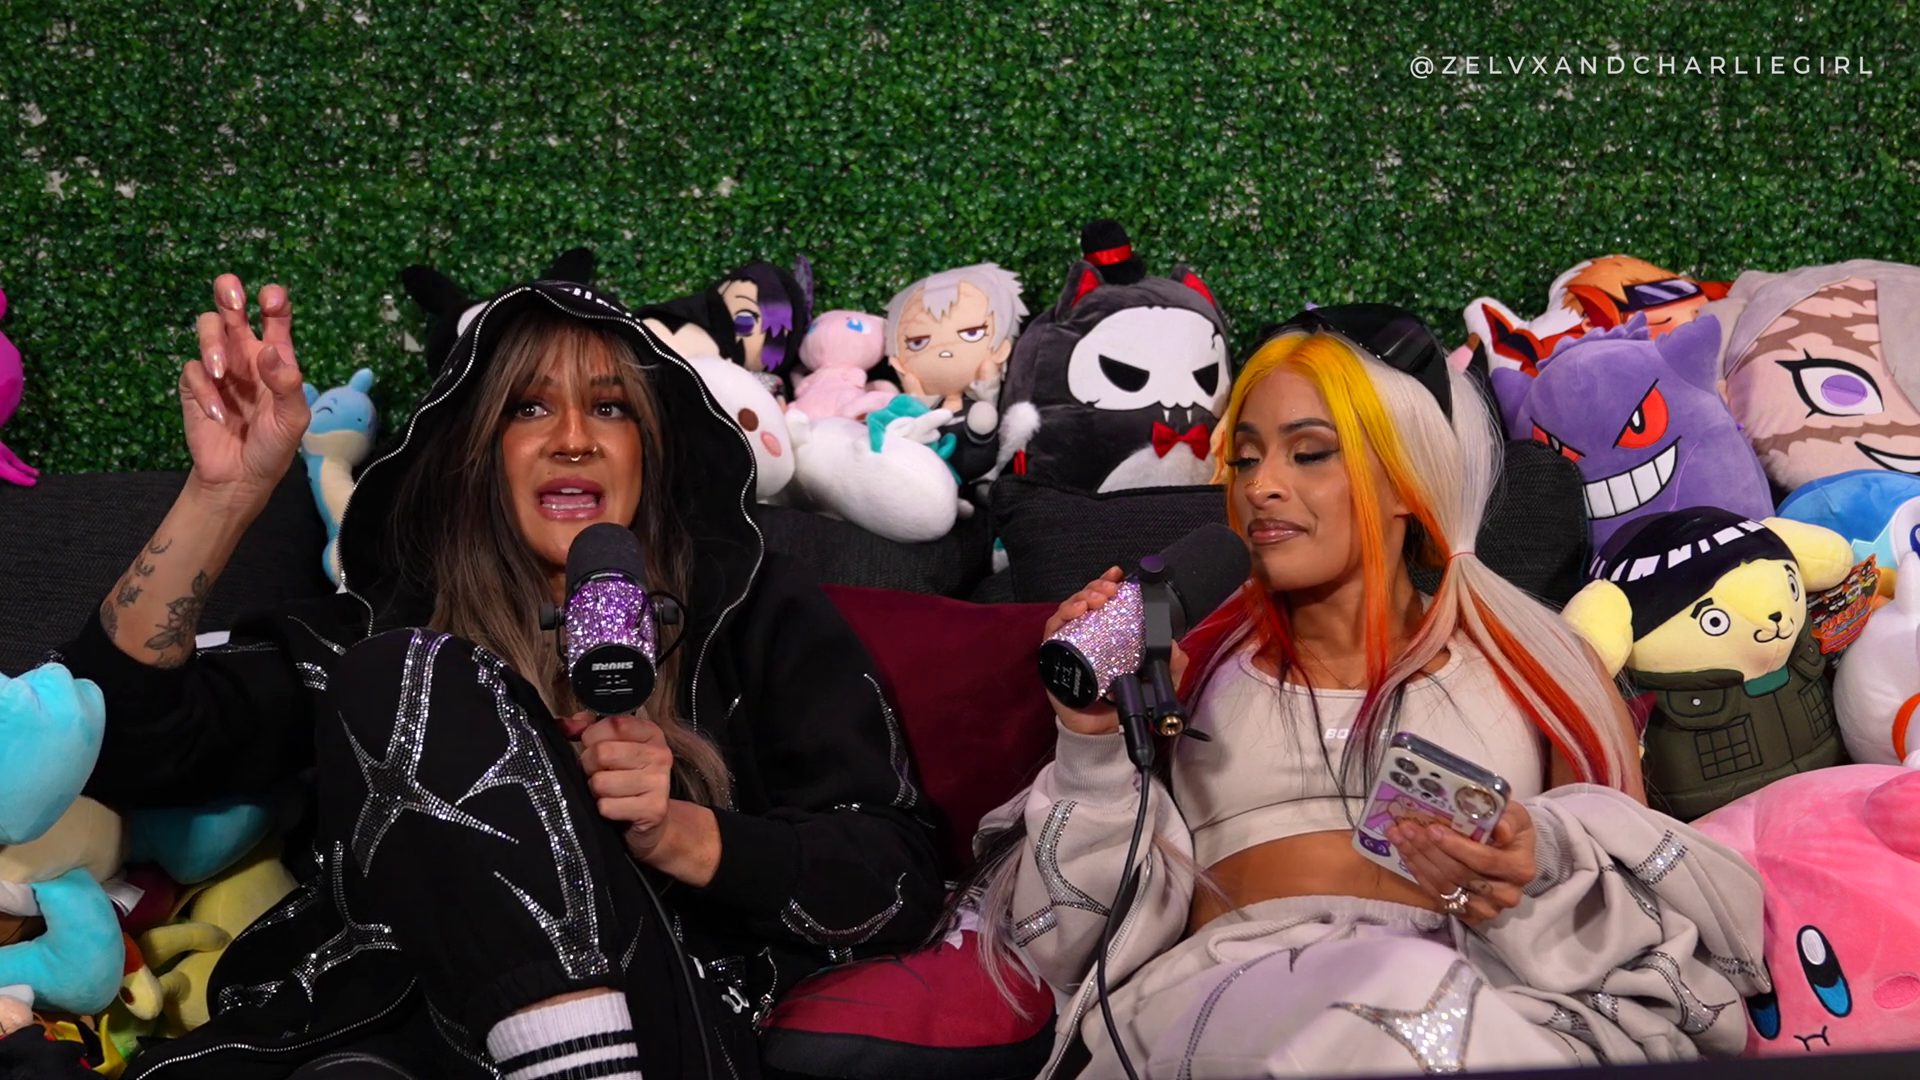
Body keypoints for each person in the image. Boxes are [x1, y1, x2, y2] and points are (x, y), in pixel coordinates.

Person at [56, 273, 945, 1079]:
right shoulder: (379, 636)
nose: (572, 440)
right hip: (393, 1033)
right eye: (528, 409)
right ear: (479, 455)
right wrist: (222, 497)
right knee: (408, 674)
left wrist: (681, 834)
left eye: (610, 408)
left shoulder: (748, 610)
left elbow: (898, 878)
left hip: (660, 1027)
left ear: (652, 450)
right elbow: (121, 741)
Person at [970, 305, 1769, 1078]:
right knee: (1406, 998)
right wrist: (1094, 743)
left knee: (1428, 999)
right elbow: (1066, 944)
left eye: (1308, 453)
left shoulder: (1540, 666)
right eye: (1245, 459)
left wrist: (1540, 860)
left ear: (1405, 481)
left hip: (1490, 995)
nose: (1261, 486)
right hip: (1230, 1006)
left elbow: (1643, 909)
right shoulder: (1180, 669)